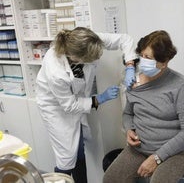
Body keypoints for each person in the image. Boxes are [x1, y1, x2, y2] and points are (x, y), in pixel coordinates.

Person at [36, 27, 137, 183]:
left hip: (77, 100)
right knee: (67, 156)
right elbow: (69, 106)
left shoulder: (88, 40)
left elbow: (125, 38)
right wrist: (99, 99)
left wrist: (130, 66)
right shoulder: (56, 71)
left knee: (79, 150)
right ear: (77, 58)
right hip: (55, 107)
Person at [103, 30, 184, 183]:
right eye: (141, 56)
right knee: (111, 179)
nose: (142, 61)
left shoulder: (180, 85)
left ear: (164, 62)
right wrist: (129, 129)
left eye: (148, 58)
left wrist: (157, 157)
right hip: (140, 148)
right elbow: (128, 114)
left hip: (175, 152)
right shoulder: (134, 82)